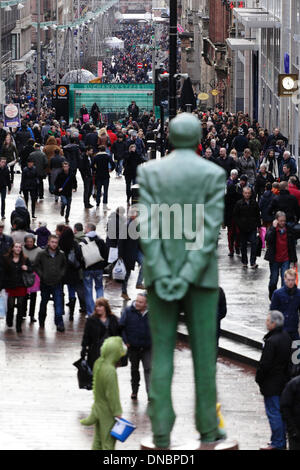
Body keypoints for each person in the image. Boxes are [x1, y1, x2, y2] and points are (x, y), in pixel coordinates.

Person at [138, 113, 226, 449]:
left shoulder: (150, 172)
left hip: (161, 277)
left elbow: (147, 229)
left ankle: (161, 429)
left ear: (170, 137)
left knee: (162, 354)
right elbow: (208, 232)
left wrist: (163, 272)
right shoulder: (212, 174)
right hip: (201, 278)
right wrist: (188, 273)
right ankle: (207, 427)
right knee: (205, 357)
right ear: (199, 137)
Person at [80, 336, 125, 450]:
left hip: (98, 406)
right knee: (108, 442)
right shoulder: (110, 371)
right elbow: (112, 394)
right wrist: (117, 412)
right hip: (108, 411)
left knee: (98, 440)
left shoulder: (98, 363)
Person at [255, 311, 292, 451]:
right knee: (280, 412)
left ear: (274, 323)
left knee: (274, 412)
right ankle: (280, 440)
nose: (266, 322)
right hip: (283, 381)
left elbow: (265, 364)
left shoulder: (271, 341)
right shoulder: (286, 337)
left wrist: (259, 379)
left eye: (268, 320)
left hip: (271, 383)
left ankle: (277, 442)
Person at [119, 293, 151, 400]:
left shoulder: (152, 313)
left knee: (148, 369)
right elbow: (121, 327)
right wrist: (126, 341)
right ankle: (134, 391)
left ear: (146, 304)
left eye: (140, 302)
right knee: (134, 370)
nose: (137, 303)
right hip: (133, 347)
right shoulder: (128, 311)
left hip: (147, 347)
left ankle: (150, 392)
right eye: (137, 301)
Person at [35, 234, 67, 332]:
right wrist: (42, 275)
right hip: (45, 282)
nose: (54, 244)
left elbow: (64, 266)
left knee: (58, 303)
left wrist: (61, 275)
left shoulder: (61, 254)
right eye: (52, 242)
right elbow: (37, 265)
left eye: (56, 242)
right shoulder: (41, 254)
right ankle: (41, 320)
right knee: (44, 302)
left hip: (57, 282)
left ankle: (59, 322)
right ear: (48, 242)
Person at [80, 297, 120, 370]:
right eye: (96, 306)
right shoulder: (91, 320)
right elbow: (86, 336)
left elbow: (118, 335)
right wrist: (84, 349)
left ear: (105, 307)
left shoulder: (113, 319)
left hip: (110, 351)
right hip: (95, 351)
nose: (98, 308)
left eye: (100, 306)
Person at [265, 212, 297, 300]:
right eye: (281, 221)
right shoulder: (273, 229)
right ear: (276, 220)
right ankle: (272, 297)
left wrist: (294, 260)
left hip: (285, 259)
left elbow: (292, 246)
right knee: (273, 281)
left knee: (285, 280)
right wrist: (272, 228)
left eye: (284, 221)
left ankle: (283, 298)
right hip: (274, 259)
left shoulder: (289, 229)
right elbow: (267, 238)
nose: (282, 223)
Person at [3, 242, 33, 333]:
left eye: (20, 247)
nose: (18, 249)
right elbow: (3, 271)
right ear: (12, 248)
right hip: (10, 285)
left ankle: (18, 325)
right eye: (16, 247)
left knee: (20, 305)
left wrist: (27, 268)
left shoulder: (25, 259)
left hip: (21, 285)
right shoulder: (6, 258)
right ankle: (9, 320)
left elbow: (31, 269)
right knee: (10, 305)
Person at [80, 223, 108, 317]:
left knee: (88, 290)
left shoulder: (83, 241)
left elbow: (79, 255)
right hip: (99, 269)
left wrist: (83, 265)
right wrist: (103, 266)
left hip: (88, 268)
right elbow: (105, 254)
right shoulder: (100, 240)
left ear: (88, 229)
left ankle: (91, 312)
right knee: (99, 287)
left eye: (85, 228)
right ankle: (101, 311)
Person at [59, 227, 85, 320]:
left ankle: (61, 310)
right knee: (72, 292)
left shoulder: (59, 243)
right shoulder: (75, 244)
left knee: (60, 292)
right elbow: (80, 257)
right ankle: (71, 315)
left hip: (61, 272)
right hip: (73, 271)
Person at [118, 207, 144, 301]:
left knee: (144, 264)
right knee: (127, 274)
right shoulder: (126, 225)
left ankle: (139, 283)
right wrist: (120, 255)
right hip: (128, 253)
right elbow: (121, 242)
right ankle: (124, 292)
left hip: (136, 250)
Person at [233, 186, 261, 268]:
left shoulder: (254, 203)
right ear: (243, 193)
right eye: (246, 193)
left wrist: (258, 226)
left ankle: (253, 262)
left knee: (254, 244)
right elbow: (235, 215)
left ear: (251, 193)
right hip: (243, 228)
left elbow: (257, 215)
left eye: (248, 193)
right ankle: (244, 262)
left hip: (252, 227)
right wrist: (239, 224)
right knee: (243, 245)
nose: (247, 195)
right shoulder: (239, 203)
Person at [270, 269, 300, 341]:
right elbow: (273, 312)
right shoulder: (277, 293)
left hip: (294, 328)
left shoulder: (299, 293)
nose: (291, 282)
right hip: (281, 329)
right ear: (284, 279)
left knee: (296, 351)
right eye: (289, 280)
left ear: (295, 279)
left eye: (292, 280)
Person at [22, 233, 43, 323]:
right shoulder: (22, 249)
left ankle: (32, 315)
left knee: (34, 296)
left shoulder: (39, 250)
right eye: (27, 241)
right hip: (23, 275)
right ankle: (23, 312)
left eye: (31, 241)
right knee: (24, 295)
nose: (29, 243)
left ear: (34, 241)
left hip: (34, 276)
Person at [280, 375, 300, 450]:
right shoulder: (294, 384)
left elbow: (285, 407)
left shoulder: (294, 383)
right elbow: (285, 407)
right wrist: (292, 429)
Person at [94, 145, 115, 211]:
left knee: (98, 191)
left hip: (98, 175)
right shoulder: (107, 156)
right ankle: (105, 205)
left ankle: (97, 204)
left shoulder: (96, 157)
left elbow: (91, 165)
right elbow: (113, 164)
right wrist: (111, 169)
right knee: (106, 191)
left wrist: (95, 170)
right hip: (106, 175)